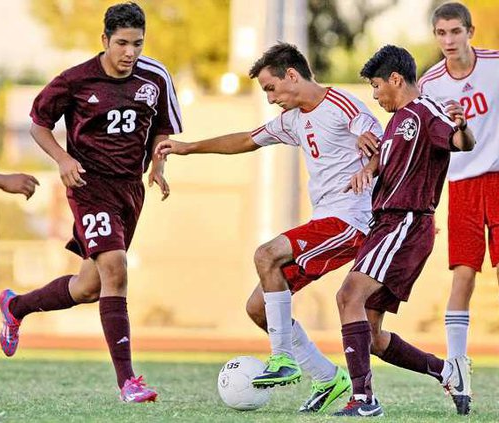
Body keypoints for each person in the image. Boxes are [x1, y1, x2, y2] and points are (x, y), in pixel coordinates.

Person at [155, 42, 382, 413]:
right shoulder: (294, 119)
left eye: (270, 88)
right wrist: (189, 147)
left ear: (291, 75)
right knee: (259, 307)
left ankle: (282, 358)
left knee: (266, 254)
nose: (270, 97)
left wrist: (367, 160)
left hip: (350, 221)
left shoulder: (341, 104)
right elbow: (247, 139)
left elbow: (377, 140)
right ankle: (328, 377)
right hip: (324, 223)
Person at [0, 2, 182, 403]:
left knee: (88, 288)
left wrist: (159, 165)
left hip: (130, 189)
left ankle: (16, 307)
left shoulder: (156, 78)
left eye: (137, 43)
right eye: (121, 43)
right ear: (104, 40)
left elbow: (161, 131)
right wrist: (63, 159)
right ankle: (128, 381)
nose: (129, 52)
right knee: (116, 268)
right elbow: (38, 124)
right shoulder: (76, 80)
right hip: (88, 185)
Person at [333, 45, 476, 418]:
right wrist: (370, 167)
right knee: (374, 337)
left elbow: (460, 142)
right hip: (386, 224)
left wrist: (462, 125)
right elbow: (390, 156)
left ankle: (363, 401)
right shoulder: (396, 120)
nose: (375, 94)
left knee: (349, 296)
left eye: (377, 86)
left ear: (396, 79)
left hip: (406, 222)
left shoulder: (425, 111)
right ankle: (448, 371)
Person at [419, 2, 499, 396]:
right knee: (462, 278)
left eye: (455, 32)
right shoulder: (429, 85)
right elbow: (430, 148)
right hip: (461, 189)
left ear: (470, 32)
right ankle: (457, 373)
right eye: (441, 33)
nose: (448, 40)